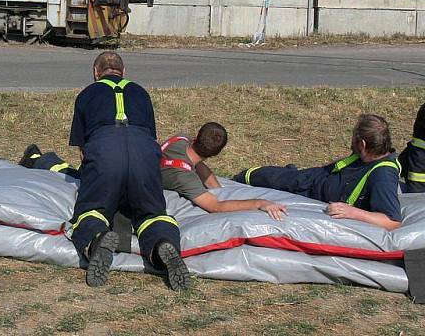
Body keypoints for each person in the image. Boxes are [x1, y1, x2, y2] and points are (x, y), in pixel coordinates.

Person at [63, 51, 189, 289]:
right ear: (124, 72)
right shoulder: (141, 92)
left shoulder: (86, 95)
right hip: (143, 149)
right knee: (151, 213)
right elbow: (151, 137)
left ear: (95, 73)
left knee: (92, 210)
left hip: (104, 148)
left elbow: (83, 152)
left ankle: (96, 239)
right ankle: (162, 245)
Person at [20, 122, 287, 220]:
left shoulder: (179, 140)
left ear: (195, 136)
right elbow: (215, 207)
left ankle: (41, 158)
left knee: (74, 172)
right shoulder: (184, 177)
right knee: (73, 177)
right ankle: (36, 159)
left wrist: (214, 182)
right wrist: (259, 202)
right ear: (216, 154)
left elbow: (200, 164)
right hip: (123, 183)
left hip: (119, 164)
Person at [233, 114, 403, 230]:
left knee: (278, 179)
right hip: (314, 178)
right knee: (274, 177)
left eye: (354, 138)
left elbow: (392, 222)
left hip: (312, 188)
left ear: (363, 144)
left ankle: (243, 177)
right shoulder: (371, 156)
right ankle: (240, 178)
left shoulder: (383, 176)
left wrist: (353, 213)